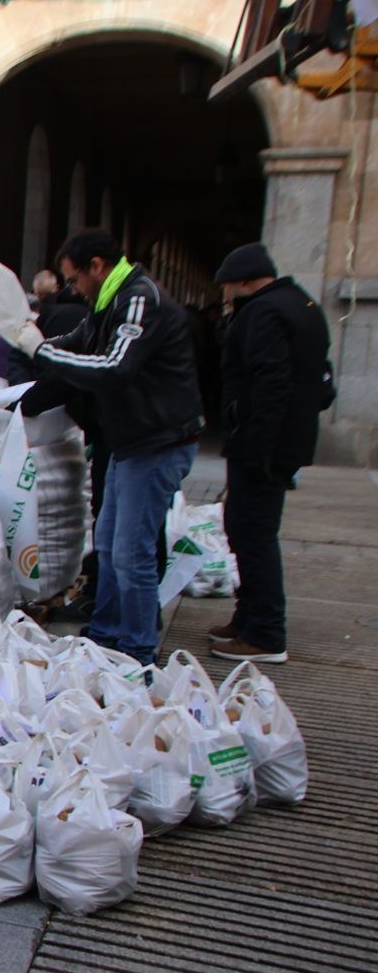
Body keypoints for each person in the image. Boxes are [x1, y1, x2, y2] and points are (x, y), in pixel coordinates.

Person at [13, 229, 204, 666]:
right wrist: (34, 342)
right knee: (110, 541)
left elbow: (115, 366)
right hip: (130, 440)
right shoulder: (107, 302)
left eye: (74, 279)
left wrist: (42, 352)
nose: (72, 289)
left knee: (132, 550)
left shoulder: (139, 298)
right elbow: (79, 341)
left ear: (97, 266)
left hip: (157, 441)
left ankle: (136, 651)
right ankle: (107, 635)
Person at [210, 242, 333, 663]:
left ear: (245, 281)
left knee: (253, 533)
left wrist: (255, 444)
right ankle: (248, 619)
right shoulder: (304, 305)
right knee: (246, 529)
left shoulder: (263, 312)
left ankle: (265, 632)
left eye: (227, 286)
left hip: (261, 447)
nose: (224, 295)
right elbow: (323, 385)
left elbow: (269, 384)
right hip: (283, 443)